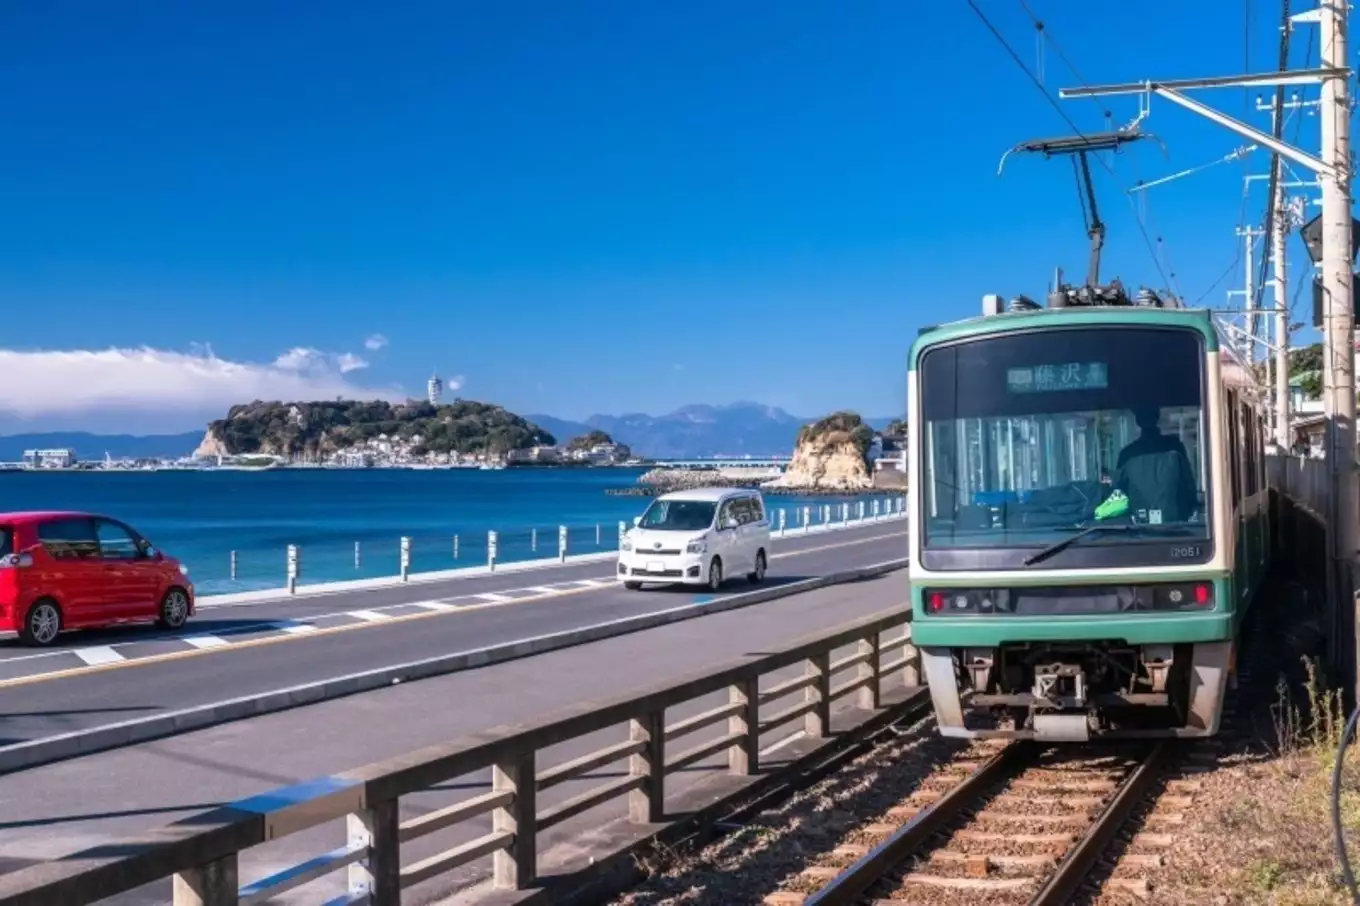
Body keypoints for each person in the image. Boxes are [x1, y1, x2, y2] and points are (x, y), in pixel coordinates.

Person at [1112, 408, 1198, 523]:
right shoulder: (1175, 448)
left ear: (1137, 421)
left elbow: (1117, 496)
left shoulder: (1128, 454)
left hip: (1137, 530)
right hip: (1177, 529)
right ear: (1157, 417)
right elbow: (1189, 488)